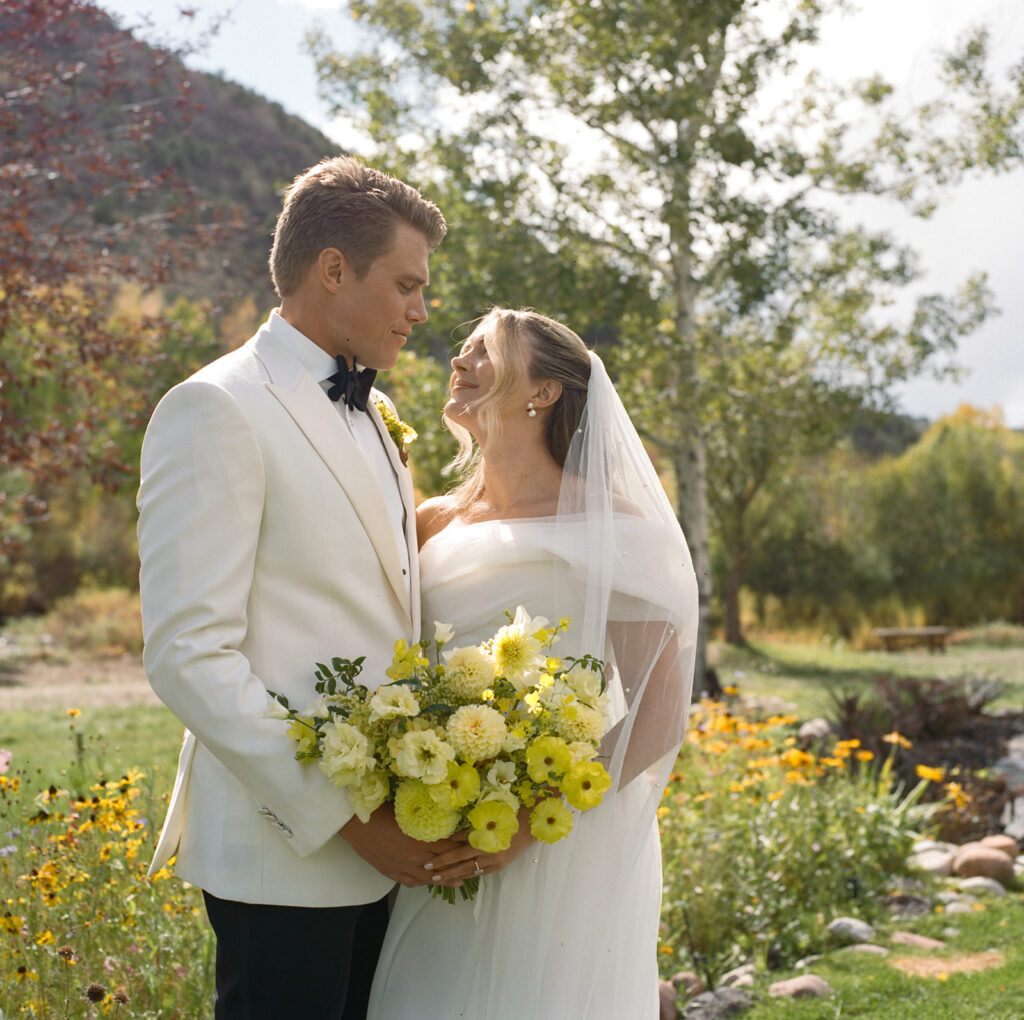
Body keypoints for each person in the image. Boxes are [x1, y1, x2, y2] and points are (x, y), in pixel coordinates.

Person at [137, 155, 454, 1019]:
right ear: (334, 270)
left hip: (388, 843)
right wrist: (348, 816)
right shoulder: (217, 408)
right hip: (284, 851)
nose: (421, 310)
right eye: (406, 284)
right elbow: (186, 654)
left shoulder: (377, 415)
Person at [367, 308, 699, 1019]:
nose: (458, 364)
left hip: (561, 832)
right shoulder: (430, 520)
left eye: (482, 352)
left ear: (542, 391)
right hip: (436, 817)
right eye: (460, 352)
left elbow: (660, 710)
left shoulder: (613, 527)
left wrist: (529, 819)